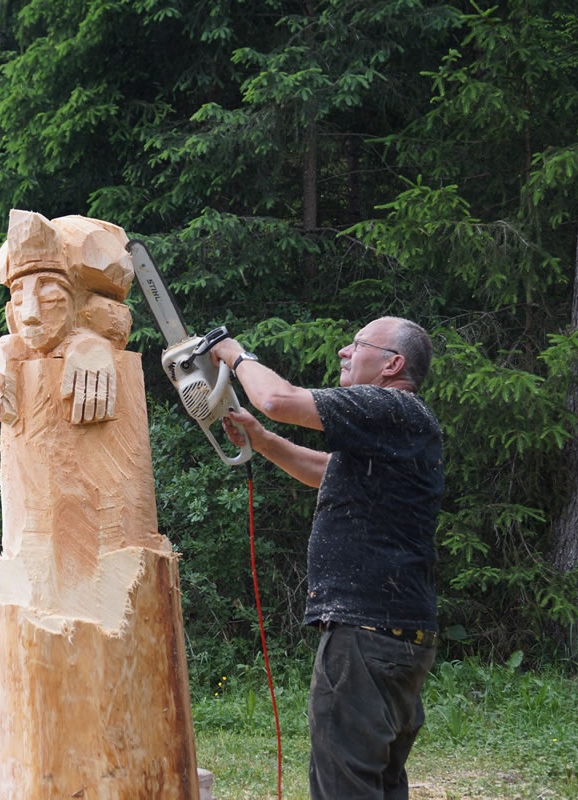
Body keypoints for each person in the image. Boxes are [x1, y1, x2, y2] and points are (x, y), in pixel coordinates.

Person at [211, 316, 443, 800]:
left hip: (365, 634)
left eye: (357, 344)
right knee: (378, 783)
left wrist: (232, 353)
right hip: (394, 636)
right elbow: (326, 470)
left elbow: (278, 400)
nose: (344, 351)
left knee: (345, 787)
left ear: (392, 365)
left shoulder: (388, 406)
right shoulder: (401, 423)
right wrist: (264, 442)